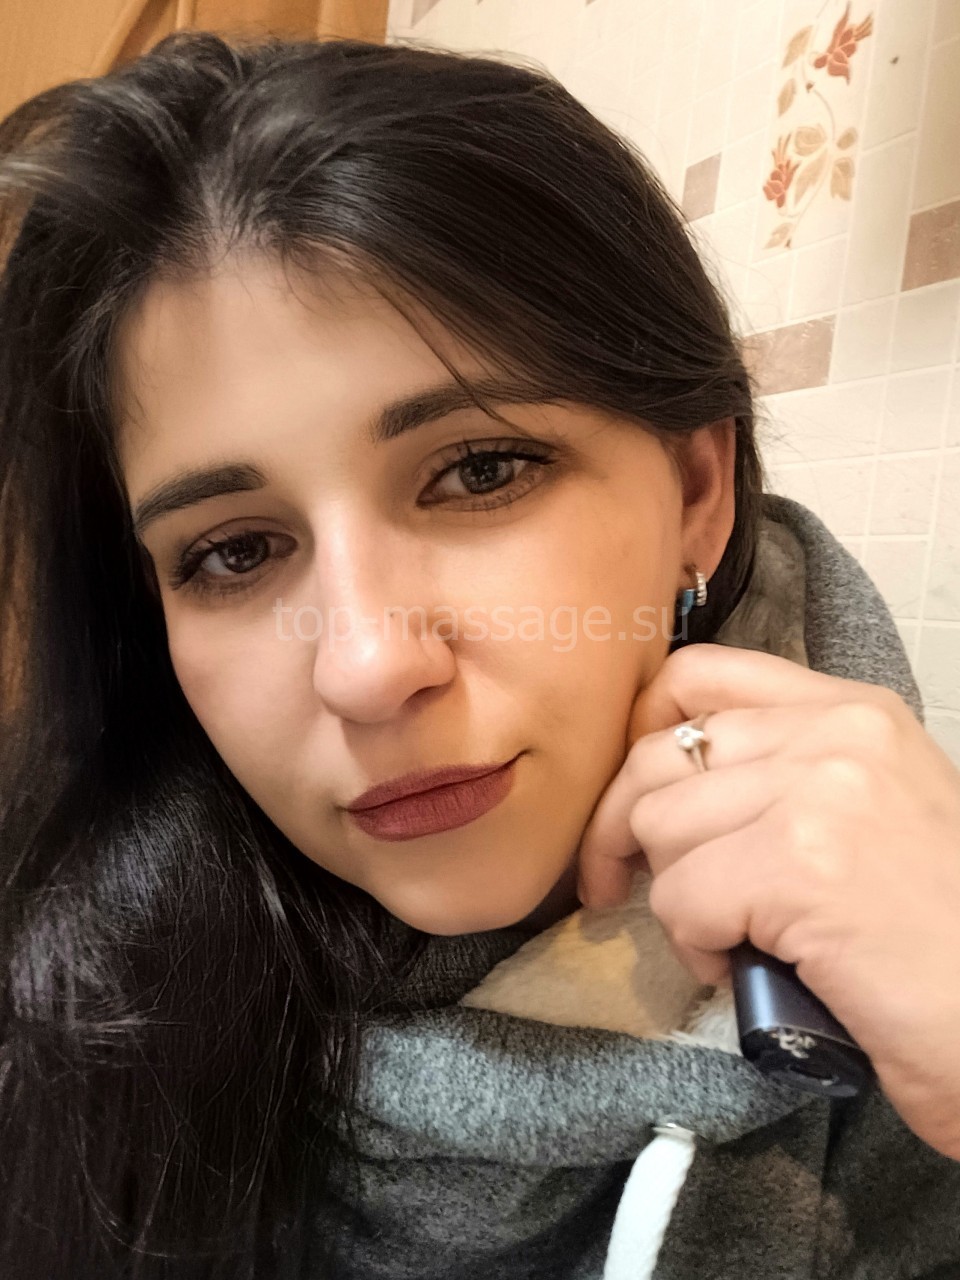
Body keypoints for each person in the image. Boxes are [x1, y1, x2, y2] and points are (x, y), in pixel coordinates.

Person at [0, 29, 958, 1280]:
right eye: (233, 551)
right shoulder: (67, 1006)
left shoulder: (916, 933)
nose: (365, 665)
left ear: (695, 489)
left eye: (479, 470)